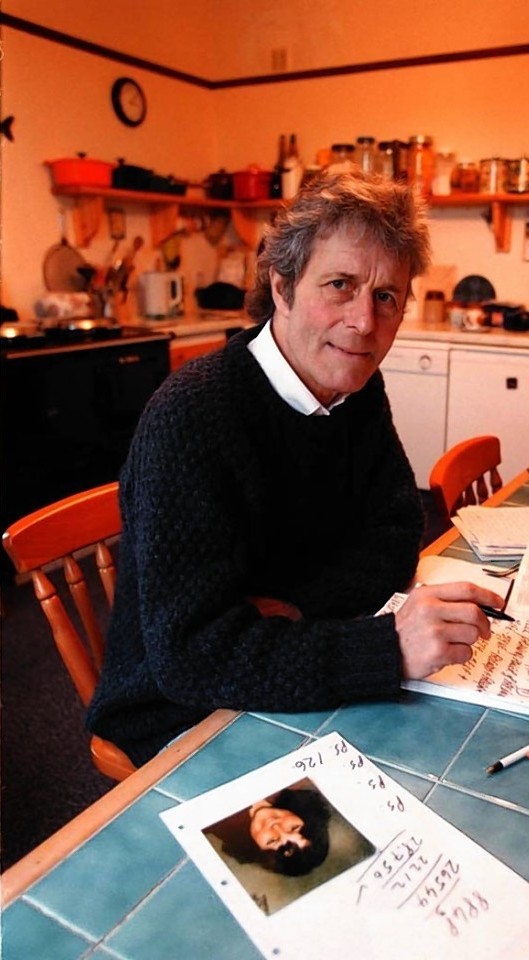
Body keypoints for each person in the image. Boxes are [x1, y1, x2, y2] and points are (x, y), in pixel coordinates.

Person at [87, 170, 505, 766]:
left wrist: (298, 609)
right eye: (340, 284)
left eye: (387, 296)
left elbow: (394, 532)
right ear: (281, 286)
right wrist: (387, 648)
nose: (364, 322)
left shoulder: (357, 387)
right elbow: (192, 658)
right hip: (178, 713)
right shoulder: (192, 416)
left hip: (291, 663)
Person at [208, 787, 331, 877]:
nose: (276, 827)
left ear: (257, 849)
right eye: (293, 828)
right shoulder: (291, 783)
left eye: (272, 841)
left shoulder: (213, 820)